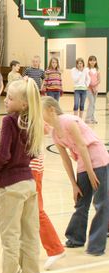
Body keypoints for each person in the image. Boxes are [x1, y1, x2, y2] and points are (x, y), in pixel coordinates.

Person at [0, 78, 44, 273]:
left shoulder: (9, 121)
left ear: (23, 104)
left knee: (10, 234)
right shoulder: (34, 122)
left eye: (10, 98)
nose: (6, 101)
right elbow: (32, 154)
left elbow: (3, 154)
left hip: (11, 185)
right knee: (30, 232)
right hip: (29, 183)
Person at [42, 96, 109, 256]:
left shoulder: (69, 121)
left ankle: (96, 246)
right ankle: (75, 238)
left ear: (51, 110)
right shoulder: (54, 133)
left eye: (41, 112)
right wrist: (74, 184)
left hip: (97, 160)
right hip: (83, 162)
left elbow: (82, 146)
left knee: (101, 203)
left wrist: (92, 172)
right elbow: (66, 159)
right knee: (81, 202)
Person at [29, 154, 66, 270]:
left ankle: (55, 248)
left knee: (36, 211)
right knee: (28, 213)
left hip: (30, 167)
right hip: (30, 166)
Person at [86, 55, 100, 124]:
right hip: (89, 89)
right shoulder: (87, 70)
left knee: (93, 104)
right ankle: (88, 118)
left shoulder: (97, 70)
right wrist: (91, 87)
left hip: (96, 89)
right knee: (91, 103)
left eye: (94, 60)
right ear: (88, 61)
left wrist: (95, 86)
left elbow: (99, 80)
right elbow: (87, 80)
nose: (92, 62)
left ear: (96, 61)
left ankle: (92, 118)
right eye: (91, 60)